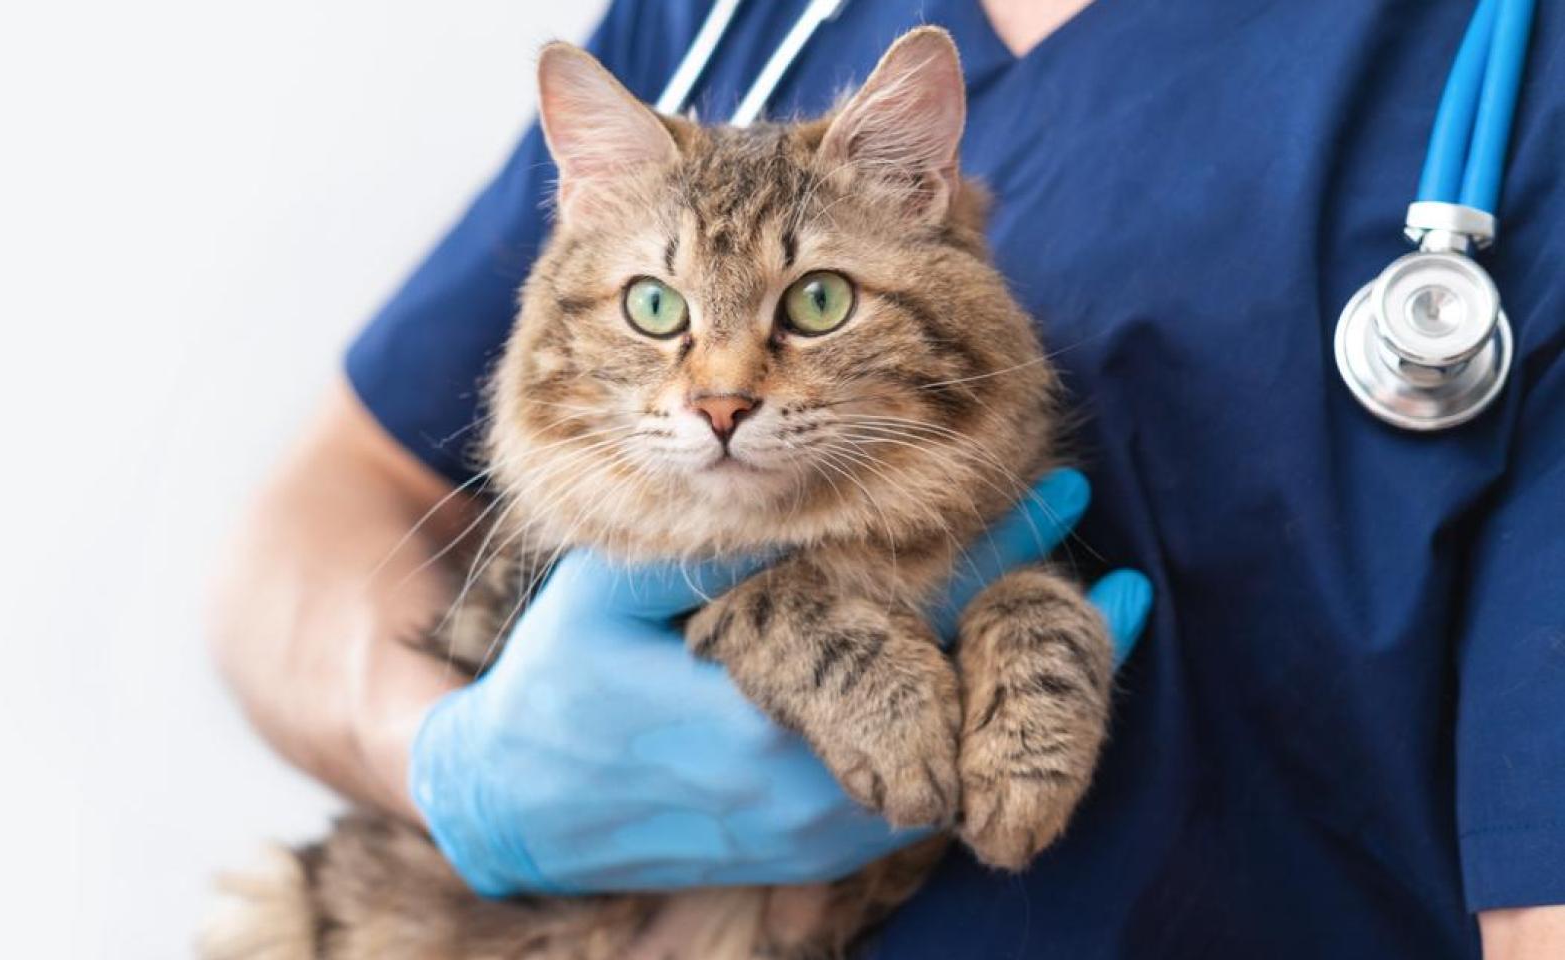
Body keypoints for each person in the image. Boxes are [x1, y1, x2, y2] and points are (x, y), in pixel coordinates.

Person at [211, 0, 1565, 956]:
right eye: (666, 319)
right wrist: (456, 768)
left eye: (803, 310)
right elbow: (333, 499)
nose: (723, 387)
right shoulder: (714, 22)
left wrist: (1031, 628)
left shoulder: (1517, 73)